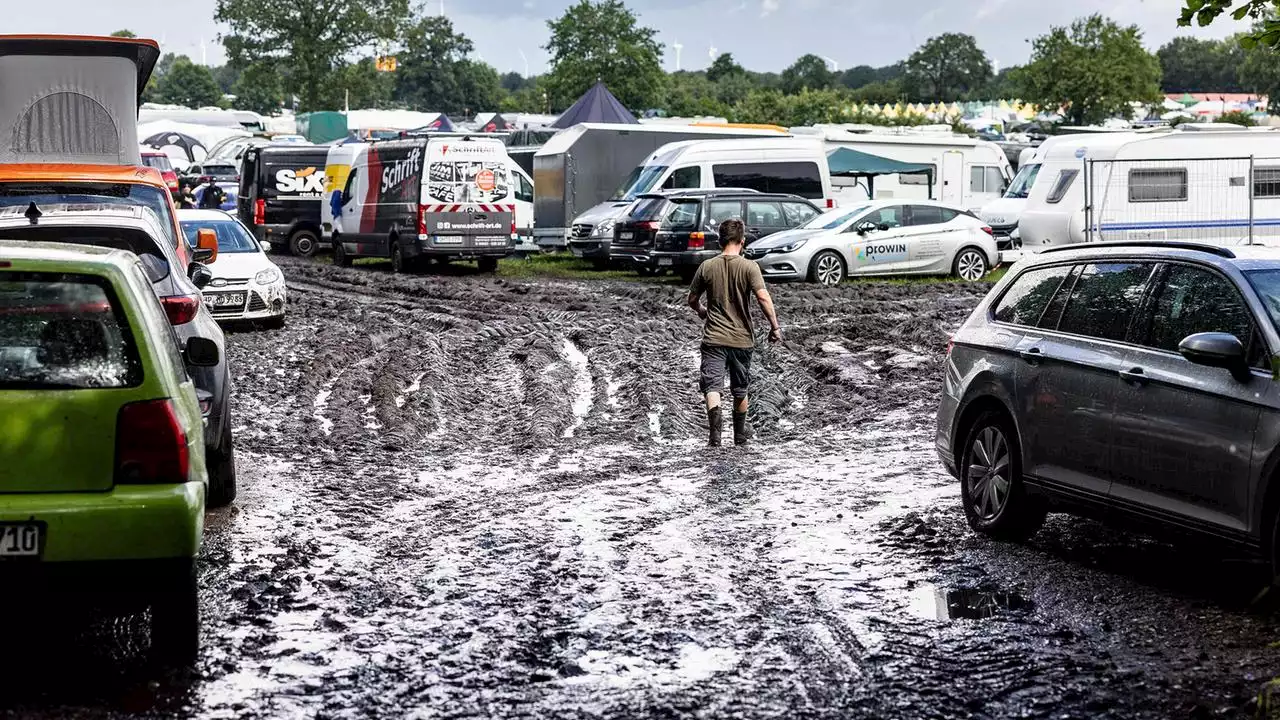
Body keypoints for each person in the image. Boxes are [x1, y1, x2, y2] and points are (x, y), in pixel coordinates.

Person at [687, 218, 782, 447]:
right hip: (741, 340)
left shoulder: (707, 267)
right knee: (740, 389)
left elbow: (692, 299)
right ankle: (739, 437)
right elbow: (762, 297)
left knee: (712, 387)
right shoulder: (750, 267)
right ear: (742, 241)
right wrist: (775, 326)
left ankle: (715, 437)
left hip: (713, 339)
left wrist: (702, 310)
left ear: (720, 240)